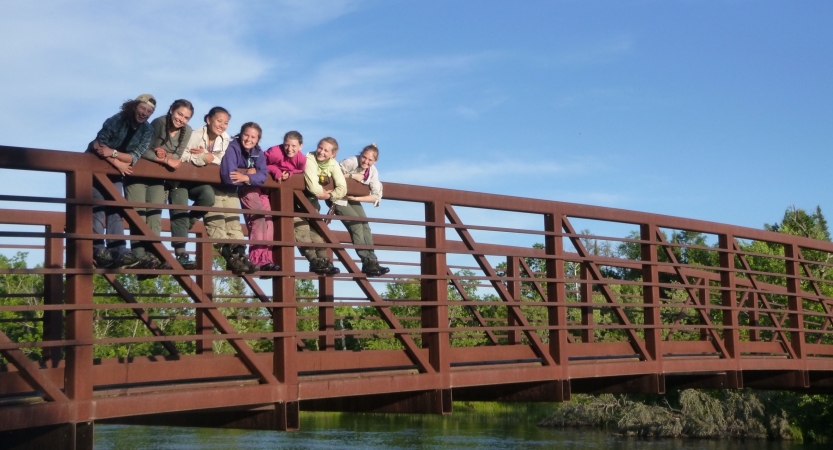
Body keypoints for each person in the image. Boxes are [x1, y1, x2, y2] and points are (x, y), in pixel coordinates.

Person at [86, 94, 156, 269]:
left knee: (116, 208)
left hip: (117, 170)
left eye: (149, 111)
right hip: (97, 166)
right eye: (142, 108)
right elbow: (99, 146)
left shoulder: (147, 129)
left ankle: (118, 250)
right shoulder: (117, 119)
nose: (145, 113)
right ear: (134, 106)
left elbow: (134, 156)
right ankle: (98, 249)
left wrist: (114, 154)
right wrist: (116, 161)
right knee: (98, 206)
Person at [124, 99, 194, 273]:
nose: (181, 119)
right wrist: (163, 159)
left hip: (157, 178)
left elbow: (177, 157)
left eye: (186, 117)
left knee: (154, 215)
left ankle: (152, 256)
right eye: (179, 114)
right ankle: (139, 256)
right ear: (171, 110)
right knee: (138, 213)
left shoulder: (187, 131)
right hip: (137, 172)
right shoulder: (158, 123)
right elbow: (142, 149)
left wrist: (168, 155)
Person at [248, 130, 306, 279]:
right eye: (286, 145)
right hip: (260, 189)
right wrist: (276, 170)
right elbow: (261, 163)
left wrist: (289, 173)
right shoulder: (275, 152)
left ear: (300, 146)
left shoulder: (301, 159)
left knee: (270, 226)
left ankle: (267, 260)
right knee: (260, 221)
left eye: (293, 146)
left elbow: (300, 171)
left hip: (274, 193)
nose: (289, 149)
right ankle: (257, 260)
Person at [219, 122, 266, 275]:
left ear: (258, 139)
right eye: (246, 135)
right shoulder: (233, 147)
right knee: (228, 221)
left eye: (253, 137)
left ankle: (257, 258)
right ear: (240, 134)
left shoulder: (258, 152)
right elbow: (229, 176)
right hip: (227, 189)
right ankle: (238, 257)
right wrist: (249, 174)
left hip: (246, 186)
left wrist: (246, 176)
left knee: (259, 216)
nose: (249, 139)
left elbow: (263, 175)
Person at [336, 143, 389, 276]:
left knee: (365, 225)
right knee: (356, 224)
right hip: (337, 197)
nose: (366, 161)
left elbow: (376, 196)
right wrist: (353, 176)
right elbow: (333, 174)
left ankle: (372, 261)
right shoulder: (351, 162)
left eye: (370, 160)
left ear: (375, 161)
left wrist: (356, 199)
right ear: (361, 155)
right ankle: (366, 260)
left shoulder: (373, 172)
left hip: (352, 198)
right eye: (364, 157)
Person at [297, 137, 346, 275]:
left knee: (317, 232)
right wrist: (322, 193)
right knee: (301, 230)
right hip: (295, 201)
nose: (321, 152)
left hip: (311, 204)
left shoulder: (333, 164)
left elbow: (343, 187)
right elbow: (313, 187)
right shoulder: (309, 159)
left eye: (326, 150)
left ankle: (324, 260)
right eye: (320, 147)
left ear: (333, 154)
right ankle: (313, 261)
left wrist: (330, 195)